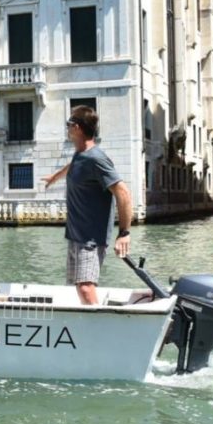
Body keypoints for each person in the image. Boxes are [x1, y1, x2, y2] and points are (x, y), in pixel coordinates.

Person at [43, 105, 133, 305]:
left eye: (68, 124)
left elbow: (123, 192)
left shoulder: (96, 158)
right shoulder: (80, 154)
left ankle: (101, 328)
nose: (67, 128)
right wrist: (55, 177)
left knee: (85, 286)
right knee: (78, 286)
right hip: (76, 235)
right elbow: (74, 165)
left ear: (77, 128)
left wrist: (124, 233)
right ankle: (91, 324)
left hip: (90, 239)